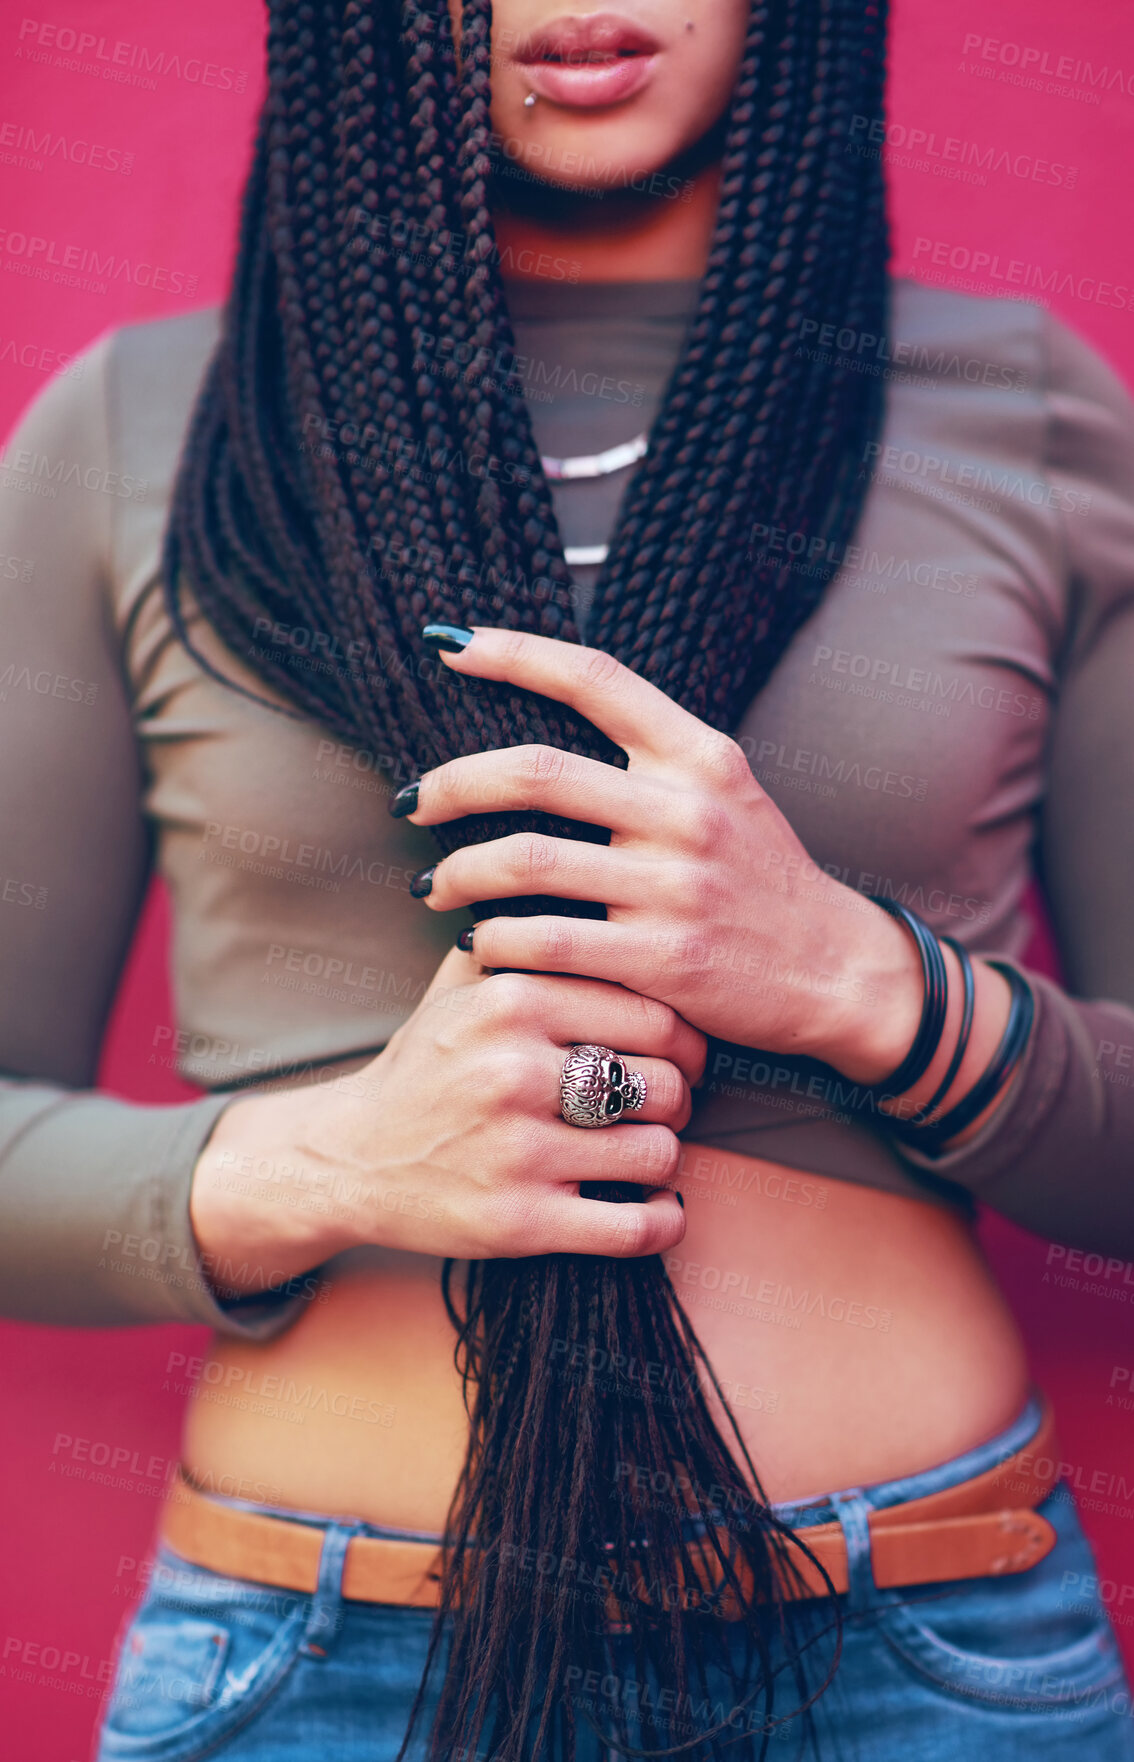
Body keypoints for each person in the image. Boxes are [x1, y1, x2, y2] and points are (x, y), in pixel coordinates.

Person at [2, 0, 1133, 1756]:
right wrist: (333, 1157)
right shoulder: (147, 426)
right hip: (319, 1670)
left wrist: (866, 986)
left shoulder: (1028, 408)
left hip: (924, 1654)